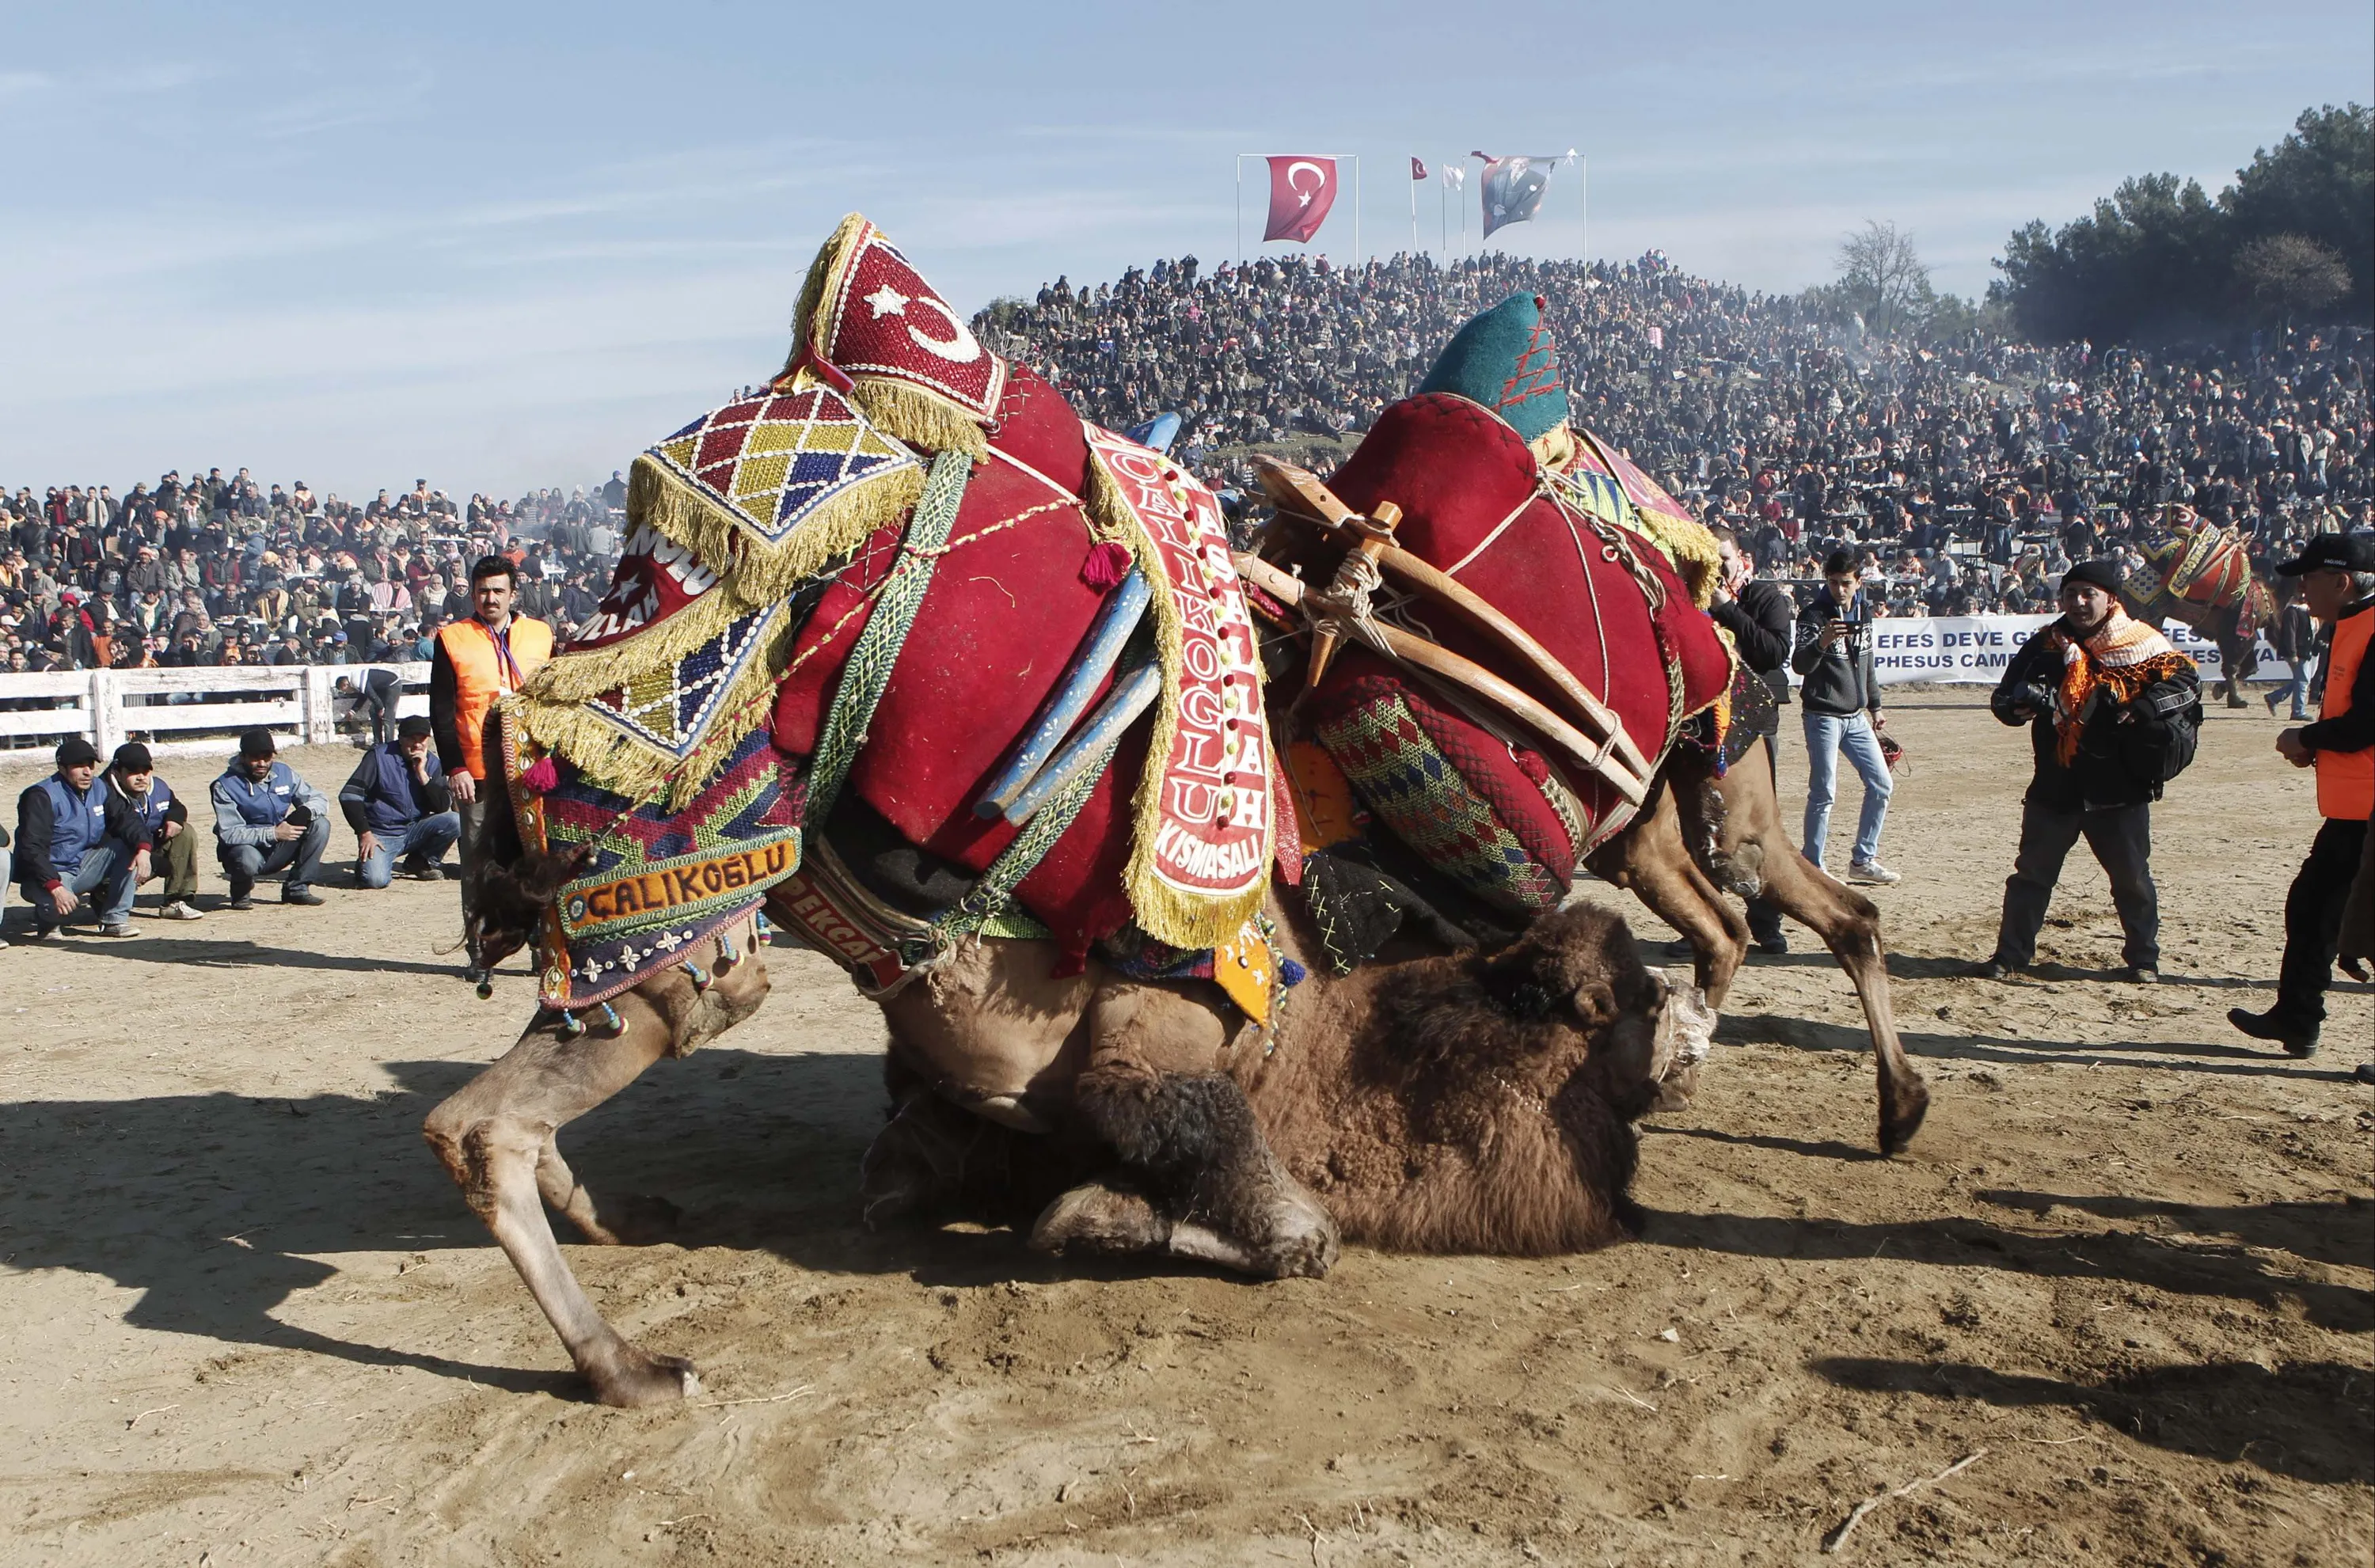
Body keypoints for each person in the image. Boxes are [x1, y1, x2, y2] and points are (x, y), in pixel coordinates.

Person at [1976, 558, 2199, 985]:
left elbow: (2189, 685)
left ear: (2110, 598)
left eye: (2088, 593)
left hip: (2119, 789)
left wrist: (2145, 707)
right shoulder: (2045, 644)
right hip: (2055, 785)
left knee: (2131, 880)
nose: (2077, 602)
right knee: (2030, 878)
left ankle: (2143, 961)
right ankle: (2009, 957)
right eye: (2070, 593)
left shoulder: (2144, 645)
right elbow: (2003, 696)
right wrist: (2015, 709)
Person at [2231, 533, 2375, 1055]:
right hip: (2355, 811)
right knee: (2313, 907)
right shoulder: (2351, 625)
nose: (2300, 588)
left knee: (2335, 914)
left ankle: (2298, 1017)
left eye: (2309, 578)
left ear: (2341, 581)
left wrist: (2305, 738)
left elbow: (2366, 723)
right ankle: (2297, 1018)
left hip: (2368, 812)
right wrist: (2316, 745)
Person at [431, 556, 553, 978]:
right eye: (483, 590)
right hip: (478, 772)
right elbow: (442, 712)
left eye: (498, 590)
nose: (490, 598)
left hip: (531, 769)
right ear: (473, 592)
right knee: (479, 864)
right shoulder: (452, 639)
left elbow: (555, 700)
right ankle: (481, 951)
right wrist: (454, 767)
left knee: (538, 858)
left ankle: (545, 945)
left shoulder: (541, 635)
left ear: (513, 593)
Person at [1706, 524, 1795, 951]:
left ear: (1741, 558)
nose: (1718, 565)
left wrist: (1726, 608)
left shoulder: (1765, 597)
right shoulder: (1695, 598)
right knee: (1703, 824)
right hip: (1707, 723)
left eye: (1724, 557)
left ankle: (1766, 924)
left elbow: (1775, 652)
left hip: (1757, 723)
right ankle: (1705, 924)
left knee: (1758, 824)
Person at [1791, 549, 1897, 883]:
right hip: (1822, 715)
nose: (1839, 589)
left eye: (1846, 583)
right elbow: (1800, 665)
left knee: (1882, 784)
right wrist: (1822, 642)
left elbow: (1867, 662)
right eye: (1833, 583)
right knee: (1824, 792)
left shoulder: (1864, 613)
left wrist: (1875, 705)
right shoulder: (1813, 615)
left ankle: (1863, 860)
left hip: (1855, 716)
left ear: (1858, 582)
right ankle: (1813, 865)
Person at [13, 736, 146, 938]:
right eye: (78, 766)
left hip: (85, 865)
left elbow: (127, 819)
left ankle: (114, 919)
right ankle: (47, 922)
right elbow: (31, 848)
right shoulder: (40, 796)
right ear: (62, 768)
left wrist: (143, 849)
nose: (87, 772)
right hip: (49, 873)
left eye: (91, 766)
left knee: (128, 847)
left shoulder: (100, 789)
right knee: (56, 908)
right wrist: (54, 887)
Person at [211, 727, 332, 909]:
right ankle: (241, 891)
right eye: (254, 758)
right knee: (246, 858)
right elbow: (229, 833)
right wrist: (273, 833)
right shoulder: (224, 786)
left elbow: (319, 798)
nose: (261, 763)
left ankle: (297, 889)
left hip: (280, 846)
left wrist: (305, 811)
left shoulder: (284, 773)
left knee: (320, 825)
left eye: (267, 757)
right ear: (242, 756)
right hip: (246, 850)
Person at [340, 716, 461, 888]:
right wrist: (364, 834)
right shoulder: (379, 757)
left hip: (415, 829)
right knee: (376, 881)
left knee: (455, 821)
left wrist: (422, 775)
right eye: (412, 738)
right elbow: (349, 796)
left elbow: (441, 806)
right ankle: (365, 866)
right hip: (382, 833)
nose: (417, 744)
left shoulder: (433, 763)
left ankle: (421, 861)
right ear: (400, 738)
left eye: (422, 739)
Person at [101, 741, 204, 920]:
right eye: (133, 772)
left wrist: (174, 819)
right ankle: (105, 896)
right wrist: (156, 863)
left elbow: (177, 807)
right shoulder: (102, 793)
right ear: (117, 773)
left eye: (145, 771)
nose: (141, 777)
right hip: (116, 859)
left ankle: (175, 901)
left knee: (185, 832)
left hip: (147, 851)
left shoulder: (158, 788)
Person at [2264, 582, 2315, 722]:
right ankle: (2298, 711)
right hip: (2297, 652)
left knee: (2301, 680)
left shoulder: (2304, 609)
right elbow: (2290, 634)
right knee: (2303, 680)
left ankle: (2274, 697)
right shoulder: (2292, 611)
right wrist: (2292, 654)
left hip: (2304, 650)